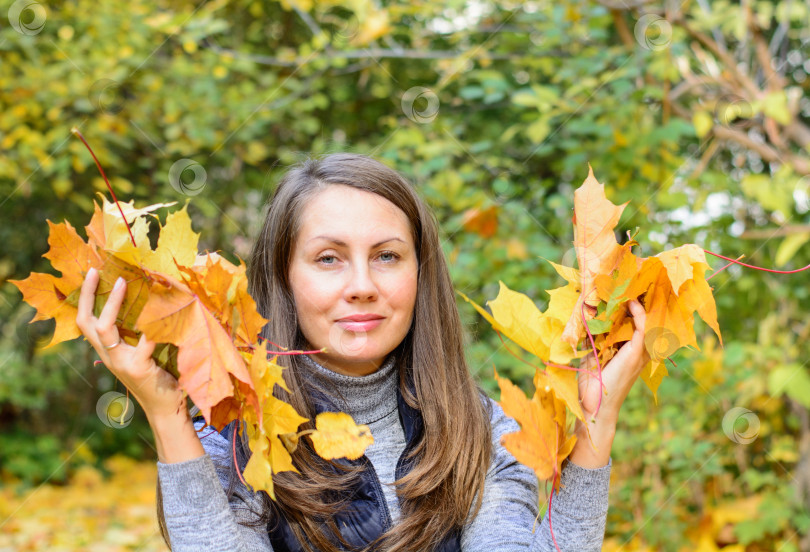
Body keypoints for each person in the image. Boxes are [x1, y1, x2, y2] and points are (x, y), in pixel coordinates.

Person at [76, 153, 650, 551]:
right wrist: (166, 415)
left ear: (420, 275)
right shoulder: (229, 443)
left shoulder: (480, 429)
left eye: (387, 256)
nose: (361, 284)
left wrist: (595, 425)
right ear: (285, 277)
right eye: (328, 258)